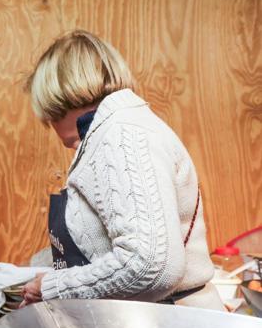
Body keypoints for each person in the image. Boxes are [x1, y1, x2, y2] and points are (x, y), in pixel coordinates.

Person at [21, 30, 215, 306]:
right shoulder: (117, 129)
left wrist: (54, 287)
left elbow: (151, 267)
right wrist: (37, 272)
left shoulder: (122, 135)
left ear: (57, 96)